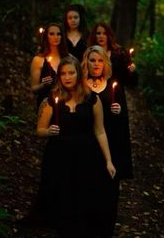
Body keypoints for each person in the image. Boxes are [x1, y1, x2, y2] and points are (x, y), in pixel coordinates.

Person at [36, 55, 116, 238]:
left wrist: (109, 161)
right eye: (63, 73)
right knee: (62, 197)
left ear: (78, 74)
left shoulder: (92, 99)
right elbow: (39, 129)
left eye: (71, 72)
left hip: (86, 156)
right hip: (59, 155)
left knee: (83, 198)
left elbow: (100, 131)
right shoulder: (52, 99)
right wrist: (48, 132)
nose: (67, 77)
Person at [82, 45, 134, 237]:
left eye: (100, 60)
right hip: (86, 144)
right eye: (92, 60)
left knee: (108, 190)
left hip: (110, 144)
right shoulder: (80, 85)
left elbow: (123, 123)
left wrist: (118, 113)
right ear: (86, 62)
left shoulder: (114, 86)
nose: (96, 64)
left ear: (105, 63)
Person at [30, 22, 68, 109]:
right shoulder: (38, 60)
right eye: (51, 34)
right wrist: (43, 85)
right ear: (46, 36)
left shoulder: (68, 58)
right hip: (46, 103)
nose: (56, 37)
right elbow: (33, 88)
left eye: (58, 34)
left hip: (67, 103)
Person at [88, 22, 138, 88]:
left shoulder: (119, 54)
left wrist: (132, 72)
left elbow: (130, 82)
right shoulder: (89, 54)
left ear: (109, 35)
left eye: (105, 33)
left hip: (115, 94)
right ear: (94, 35)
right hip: (96, 92)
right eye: (98, 33)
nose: (101, 36)